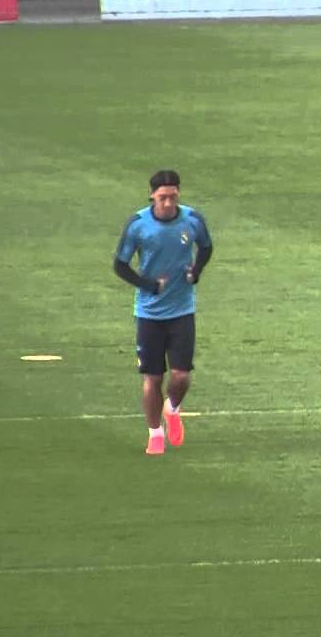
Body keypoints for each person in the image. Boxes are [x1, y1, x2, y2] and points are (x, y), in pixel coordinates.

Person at [113, 170, 213, 455]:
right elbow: (120, 265)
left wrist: (197, 271)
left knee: (181, 376)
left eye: (173, 196)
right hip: (149, 313)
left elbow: (206, 247)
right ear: (152, 195)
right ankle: (155, 433)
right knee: (153, 378)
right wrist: (149, 285)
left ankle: (173, 408)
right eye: (162, 197)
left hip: (182, 309)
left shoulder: (192, 219)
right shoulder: (138, 224)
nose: (168, 203)